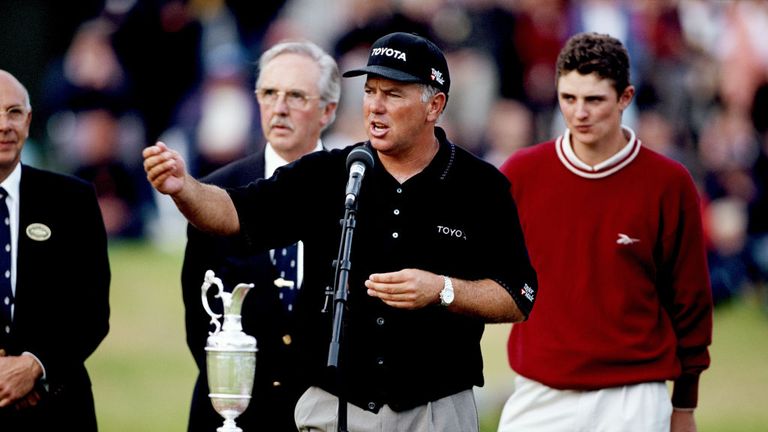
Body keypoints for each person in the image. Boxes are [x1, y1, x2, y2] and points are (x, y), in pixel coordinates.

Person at [144, 31, 537, 432]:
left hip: (435, 409)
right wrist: (183, 188)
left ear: (434, 105)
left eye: (394, 94)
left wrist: (443, 290)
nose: (375, 107)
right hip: (336, 407)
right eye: (370, 91)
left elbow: (518, 295)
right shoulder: (328, 173)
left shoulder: (481, 186)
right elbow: (233, 213)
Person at [497, 32, 713, 432]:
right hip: (538, 395)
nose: (579, 112)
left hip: (634, 398)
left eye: (594, 99)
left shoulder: (669, 183)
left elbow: (690, 301)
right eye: (568, 98)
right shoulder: (520, 174)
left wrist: (685, 404)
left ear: (625, 98)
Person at [181, 39, 340, 432]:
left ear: (328, 110)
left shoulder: (354, 191)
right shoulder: (215, 194)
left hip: (326, 412)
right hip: (234, 412)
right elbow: (199, 320)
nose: (280, 108)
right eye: (269, 93)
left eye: (297, 96)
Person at [0, 70, 110, 430]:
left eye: (14, 113)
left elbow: (92, 310)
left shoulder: (72, 200)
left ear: (29, 122)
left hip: (58, 409)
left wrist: (34, 366)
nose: (5, 125)